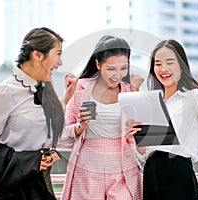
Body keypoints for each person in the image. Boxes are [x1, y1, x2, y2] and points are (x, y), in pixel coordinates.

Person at [0, 27, 78, 200]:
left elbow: (41, 121)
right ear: (38, 55)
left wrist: (66, 98)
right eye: (57, 54)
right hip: (12, 187)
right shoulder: (4, 92)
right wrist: (26, 161)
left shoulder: (44, 89)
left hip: (41, 181)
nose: (60, 63)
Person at [126, 39, 198, 200]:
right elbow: (143, 154)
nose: (163, 69)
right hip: (151, 175)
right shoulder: (152, 101)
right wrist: (136, 137)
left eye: (170, 62)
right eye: (158, 64)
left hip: (178, 174)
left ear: (181, 65)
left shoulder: (195, 96)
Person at [60, 35, 144, 200]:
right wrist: (79, 127)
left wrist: (136, 94)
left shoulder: (131, 91)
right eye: (111, 69)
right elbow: (62, 131)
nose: (117, 75)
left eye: (123, 68)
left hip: (123, 166)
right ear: (98, 64)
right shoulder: (81, 89)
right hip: (87, 167)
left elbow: (142, 136)